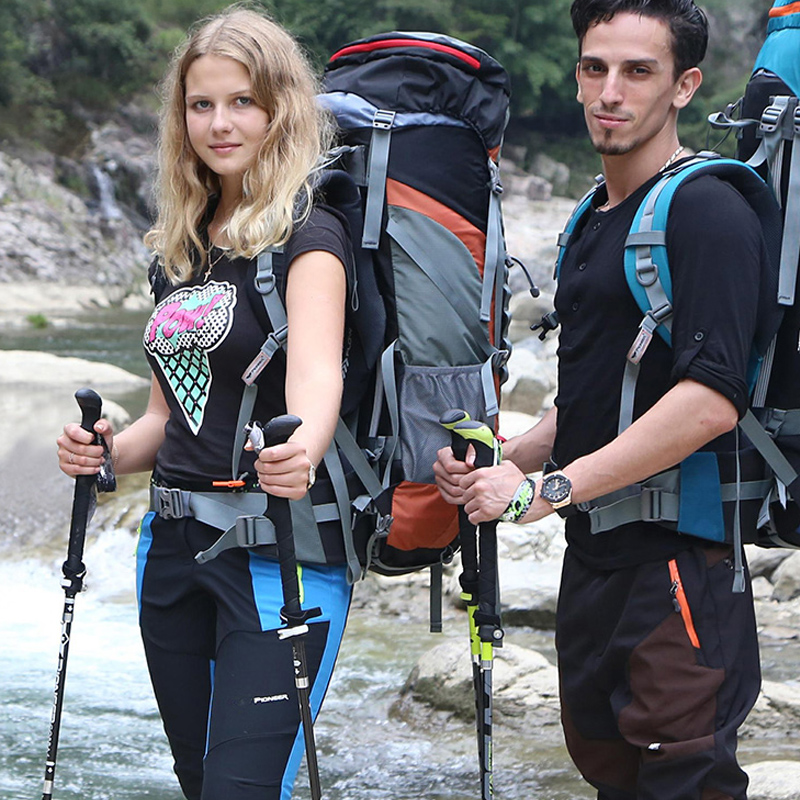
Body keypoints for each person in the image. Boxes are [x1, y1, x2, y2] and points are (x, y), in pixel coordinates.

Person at [434, 0, 769, 797]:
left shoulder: (710, 210)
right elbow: (600, 388)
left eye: (638, 71)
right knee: (609, 775)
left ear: (684, 86)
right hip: (592, 562)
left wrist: (546, 493)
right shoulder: (594, 216)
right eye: (595, 68)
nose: (610, 92)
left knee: (684, 781)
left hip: (679, 565)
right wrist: (516, 458)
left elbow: (711, 400)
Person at [57, 8, 355, 799]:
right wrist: (104, 454)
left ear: (280, 109)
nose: (219, 123)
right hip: (171, 552)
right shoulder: (181, 247)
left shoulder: (310, 237)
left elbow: (317, 376)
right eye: (201, 104)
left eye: (242, 102)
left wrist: (300, 450)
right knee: (200, 784)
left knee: (242, 792)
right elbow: (166, 419)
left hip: (279, 551)